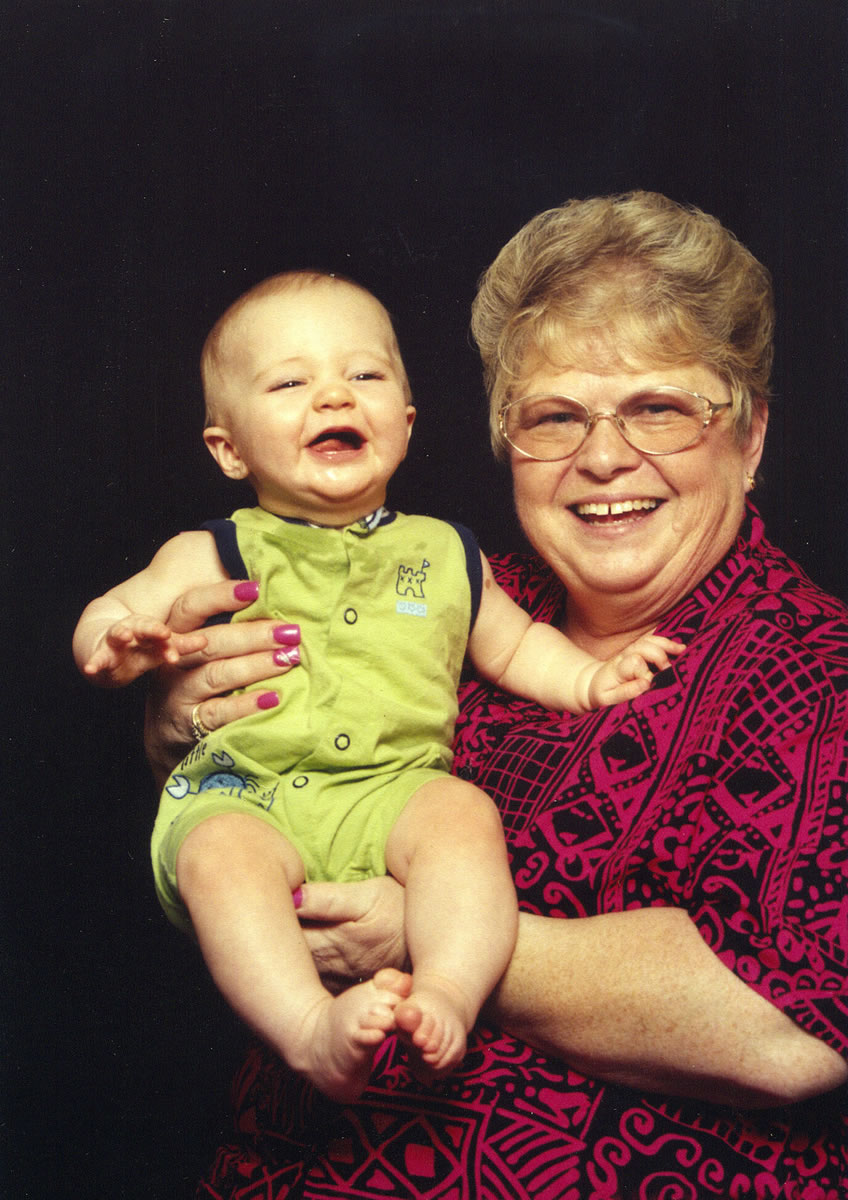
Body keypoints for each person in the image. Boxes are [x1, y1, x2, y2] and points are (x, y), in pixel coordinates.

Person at [143, 193, 848, 1199]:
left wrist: (430, 937)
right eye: (553, 416)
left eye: (658, 408)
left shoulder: (815, 671)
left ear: (747, 437)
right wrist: (181, 724)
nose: (603, 458)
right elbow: (263, 788)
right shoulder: (439, 594)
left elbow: (796, 1027)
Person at [73, 269, 681, 1103]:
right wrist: (117, 641)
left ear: (403, 422)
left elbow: (517, 647)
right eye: (291, 382)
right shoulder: (218, 548)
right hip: (248, 793)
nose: (333, 397)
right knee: (218, 857)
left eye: (364, 375)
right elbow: (114, 607)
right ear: (229, 447)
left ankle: (447, 994)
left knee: (464, 816)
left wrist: (591, 679)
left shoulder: (446, 552)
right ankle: (306, 1029)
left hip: (392, 791)